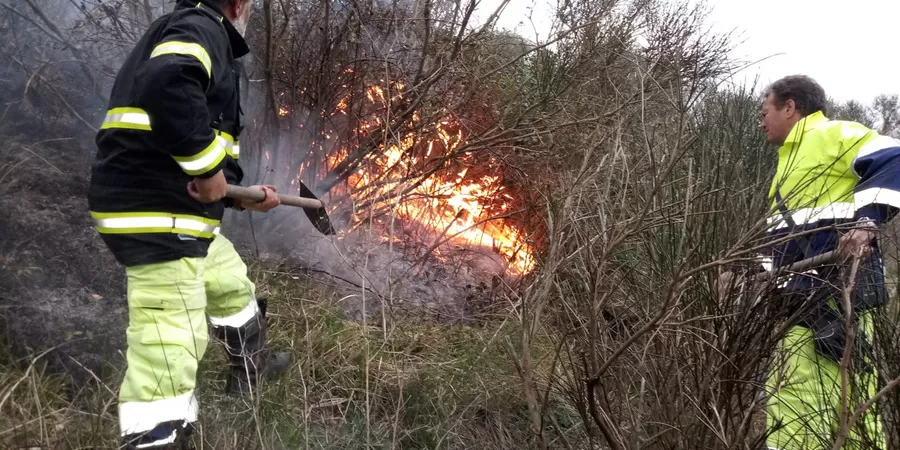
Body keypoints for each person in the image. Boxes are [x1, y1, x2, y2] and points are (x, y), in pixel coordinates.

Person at [87, 0, 290, 448]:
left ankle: (250, 366)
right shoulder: (201, 28)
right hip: (155, 211)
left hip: (176, 207)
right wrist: (204, 169)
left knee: (230, 283)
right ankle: (157, 434)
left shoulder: (187, 28)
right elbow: (169, 82)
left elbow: (200, 145)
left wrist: (238, 196)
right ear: (238, 3)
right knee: (171, 338)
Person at [756, 75, 898, 449]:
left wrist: (867, 224)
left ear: (790, 107)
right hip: (814, 306)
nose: (760, 120)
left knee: (796, 407)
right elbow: (786, 242)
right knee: (851, 410)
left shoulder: (828, 134)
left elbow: (895, 156)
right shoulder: (788, 165)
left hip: (827, 302)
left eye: (764, 109)